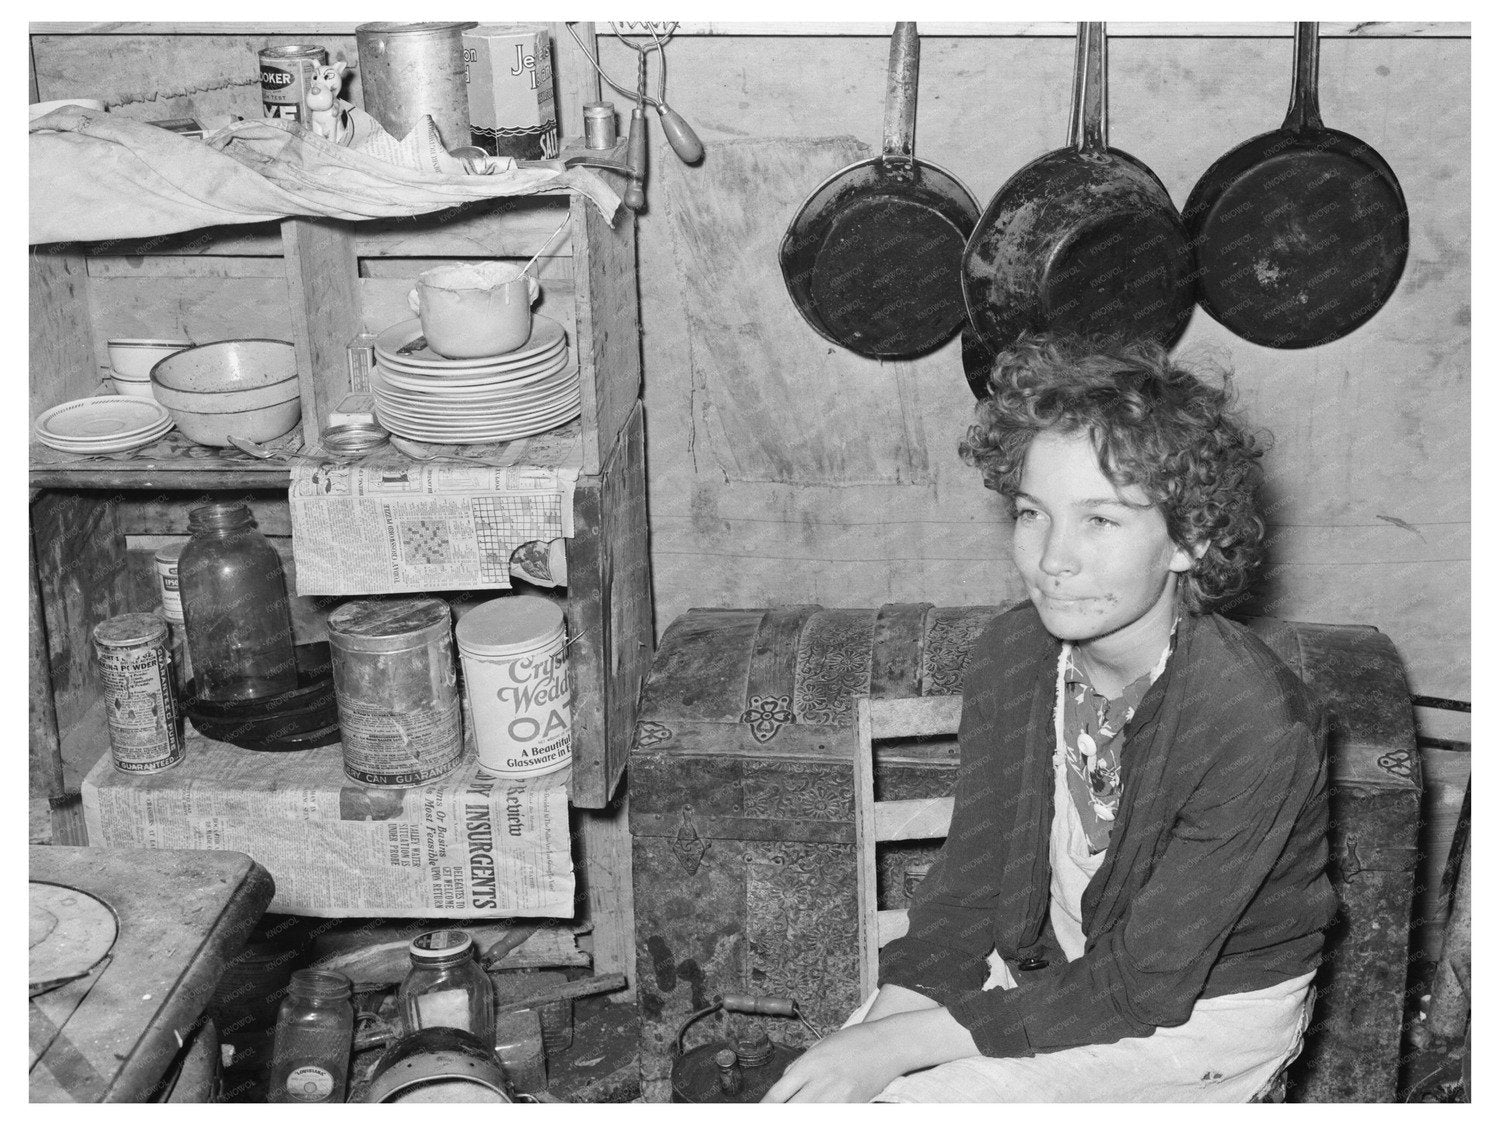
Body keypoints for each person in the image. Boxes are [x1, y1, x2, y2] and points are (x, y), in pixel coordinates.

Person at [763, 333, 1337, 1103]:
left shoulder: (1252, 720)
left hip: (1200, 1010)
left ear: (1189, 537)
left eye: (1100, 520)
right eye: (1033, 513)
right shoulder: (1014, 654)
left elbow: (1140, 985)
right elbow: (970, 889)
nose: (1053, 558)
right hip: (1054, 956)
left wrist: (900, 1048)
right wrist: (876, 1032)